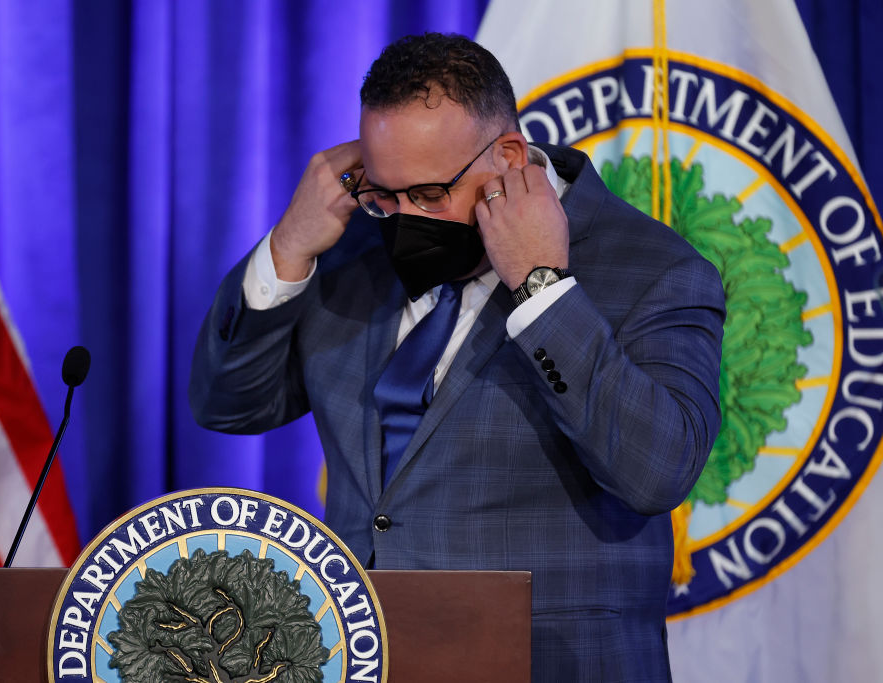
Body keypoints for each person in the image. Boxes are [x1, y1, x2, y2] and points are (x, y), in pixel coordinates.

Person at [190, 33, 724, 682]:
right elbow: (229, 402)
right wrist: (292, 245)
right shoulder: (356, 255)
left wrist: (541, 289)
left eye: (428, 194)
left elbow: (657, 471)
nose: (402, 218)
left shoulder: (652, 268)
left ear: (506, 156)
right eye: (384, 194)